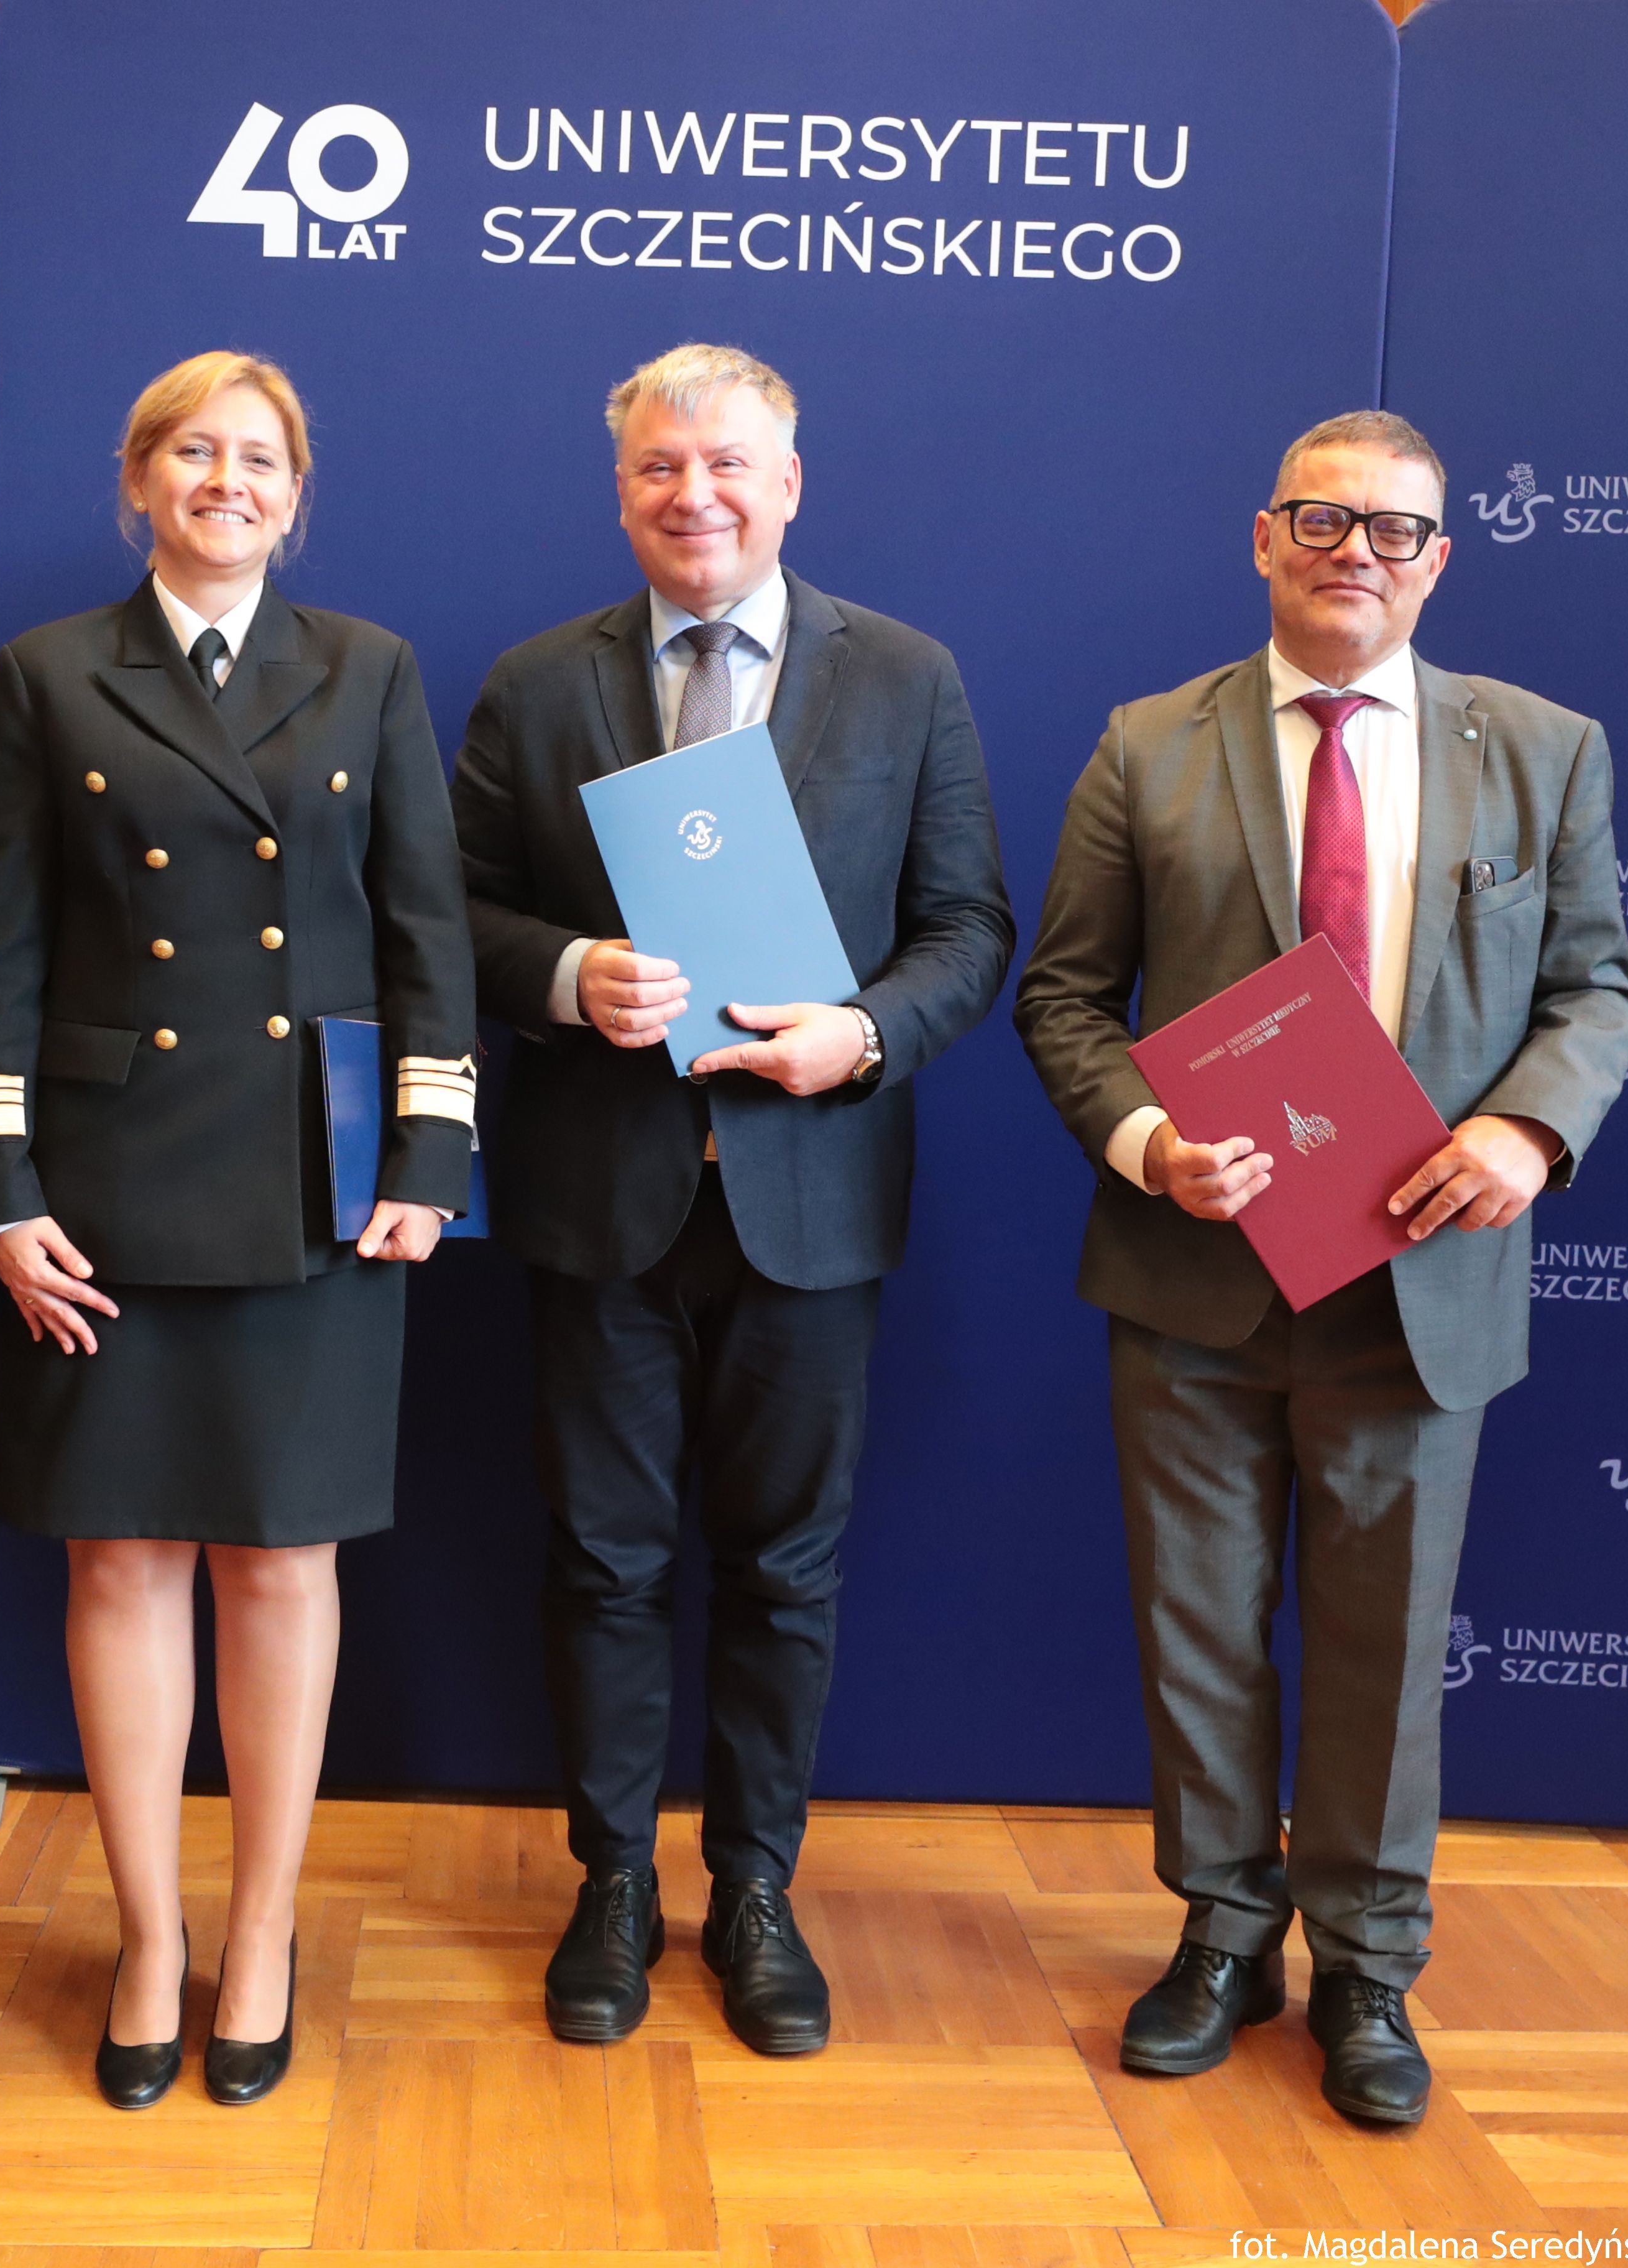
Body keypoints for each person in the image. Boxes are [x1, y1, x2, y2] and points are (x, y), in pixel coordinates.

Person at [1012, 410, 1628, 2126]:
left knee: (1385, 1641)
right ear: (1264, 539)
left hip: (1421, 1283)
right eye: (1321, 519)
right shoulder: (1149, 745)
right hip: (1196, 1276)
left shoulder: (1546, 750)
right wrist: (1151, 1143)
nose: (1356, 550)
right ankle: (1225, 1933)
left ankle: (1368, 1964)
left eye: (1394, 529)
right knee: (1199, 1627)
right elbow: (1066, 997)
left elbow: (1595, 991)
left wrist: (1528, 1132)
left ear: (1439, 561)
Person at [451, 343, 1013, 2058]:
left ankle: (756, 1888)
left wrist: (865, 1034)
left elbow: (970, 929)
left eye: (726, 466)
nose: (692, 495)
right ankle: (613, 1881)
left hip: (811, 1199)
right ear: (621, 491)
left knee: (786, 1569)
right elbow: (450, 914)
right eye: (658, 468)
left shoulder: (904, 676)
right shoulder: (538, 683)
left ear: (789, 484)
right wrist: (567, 978)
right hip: (600, 1196)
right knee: (603, 1561)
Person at [0, 352, 476, 2111]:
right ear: (139, 479)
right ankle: (149, 1938)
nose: (225, 479)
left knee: (280, 1563)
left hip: (316, 1191)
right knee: (118, 1564)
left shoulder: (370, 670)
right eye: (193, 451)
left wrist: (430, 1153)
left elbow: (424, 932)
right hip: (102, 1190)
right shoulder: (49, 675)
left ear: (296, 494)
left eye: (259, 457)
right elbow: (1, 950)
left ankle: (261, 1933)